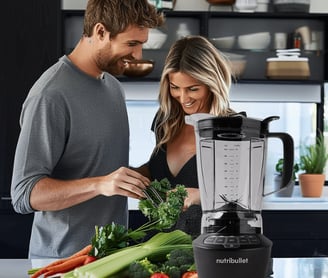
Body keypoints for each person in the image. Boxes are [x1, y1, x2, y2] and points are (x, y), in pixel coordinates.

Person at [10, 0, 164, 259]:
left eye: (141, 44)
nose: (138, 55)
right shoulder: (51, 94)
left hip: (110, 258)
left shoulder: (113, 88)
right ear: (101, 32)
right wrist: (100, 185)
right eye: (131, 44)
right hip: (62, 262)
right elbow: (25, 193)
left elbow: (101, 172)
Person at [137, 35, 236, 238]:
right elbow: (157, 170)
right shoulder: (166, 119)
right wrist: (136, 176)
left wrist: (201, 196)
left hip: (208, 248)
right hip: (157, 247)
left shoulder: (233, 128)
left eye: (193, 89)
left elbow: (244, 198)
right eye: (175, 88)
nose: (183, 98)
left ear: (212, 84)